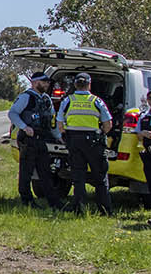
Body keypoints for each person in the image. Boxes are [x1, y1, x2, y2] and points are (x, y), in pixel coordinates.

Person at [56, 72, 113, 215]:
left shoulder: (67, 101)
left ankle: (79, 209)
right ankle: (105, 210)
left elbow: (60, 124)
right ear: (89, 84)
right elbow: (108, 124)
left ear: (75, 84)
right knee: (100, 178)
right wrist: (101, 133)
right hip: (94, 142)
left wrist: (66, 135)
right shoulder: (96, 101)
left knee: (78, 177)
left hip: (74, 142)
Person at [8, 71, 62, 209]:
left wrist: (59, 137)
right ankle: (27, 201)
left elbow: (52, 121)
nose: (46, 84)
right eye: (44, 82)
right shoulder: (26, 97)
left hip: (42, 139)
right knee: (26, 172)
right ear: (35, 82)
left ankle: (54, 203)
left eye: (47, 82)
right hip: (28, 140)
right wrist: (24, 127)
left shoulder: (46, 99)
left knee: (46, 172)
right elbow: (12, 113)